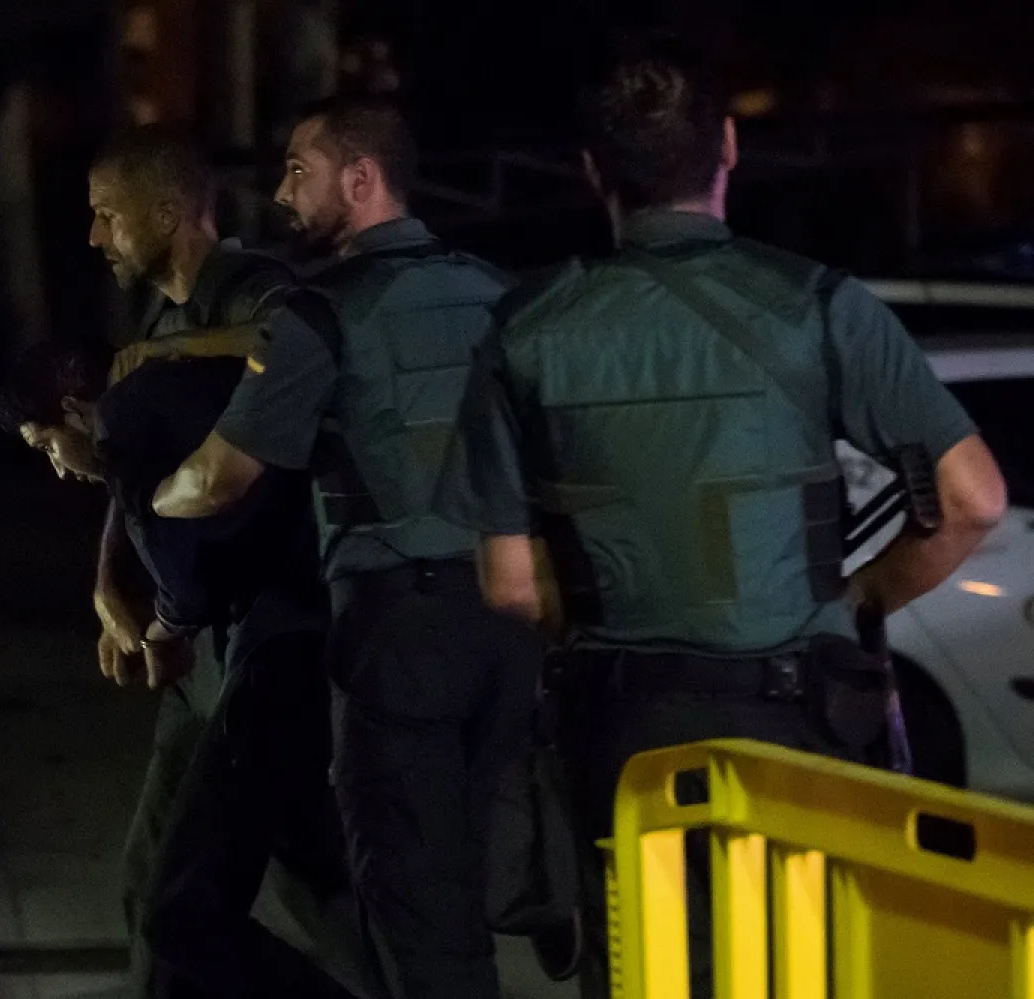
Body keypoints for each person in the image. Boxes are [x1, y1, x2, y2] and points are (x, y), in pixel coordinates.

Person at [432, 34, 1009, 999]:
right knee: (796, 964)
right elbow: (975, 499)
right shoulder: (817, 304)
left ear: (592, 171)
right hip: (799, 725)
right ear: (730, 149)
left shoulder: (526, 330)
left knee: (647, 970)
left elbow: (509, 582)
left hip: (624, 727)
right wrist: (862, 594)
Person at [151, 96, 544, 999]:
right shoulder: (498, 292)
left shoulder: (322, 313)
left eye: (300, 170)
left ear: (361, 180)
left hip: (398, 634)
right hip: (508, 627)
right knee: (473, 874)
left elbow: (219, 478)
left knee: (416, 907)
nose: (284, 194)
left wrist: (153, 496)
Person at [6, 125, 375, 999]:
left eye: (108, 216)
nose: (95, 238)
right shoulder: (160, 315)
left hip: (265, 641)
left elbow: (283, 347)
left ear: (167, 212)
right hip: (204, 664)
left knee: (233, 900)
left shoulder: (251, 294)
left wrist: (170, 356)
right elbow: (134, 468)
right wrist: (108, 578)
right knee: (160, 891)